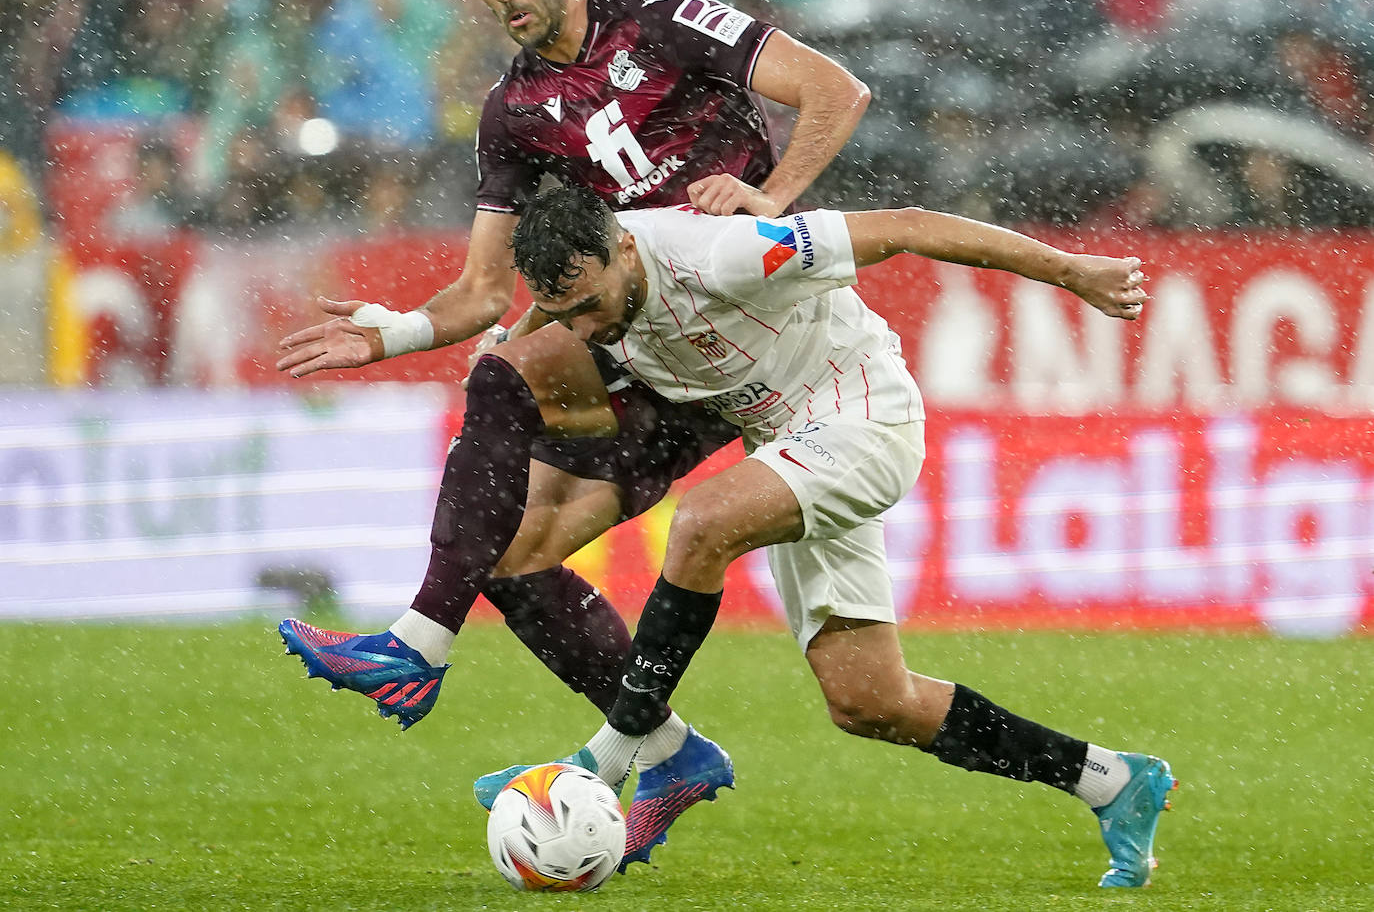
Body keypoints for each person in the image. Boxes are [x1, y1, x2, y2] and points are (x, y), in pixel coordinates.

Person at [273, 0, 871, 867]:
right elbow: (476, 294)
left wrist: (770, 199)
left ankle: (419, 640)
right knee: (508, 556)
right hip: (660, 351)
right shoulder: (513, 112)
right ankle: (673, 754)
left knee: (505, 372)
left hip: (752, 326)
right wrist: (390, 334)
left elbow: (834, 91)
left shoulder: (666, 22)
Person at [458, 184, 1172, 888]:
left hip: (864, 417)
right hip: (786, 446)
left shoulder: (721, 255)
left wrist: (1073, 270)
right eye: (563, 313)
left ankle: (606, 760)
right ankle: (1111, 780)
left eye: (590, 306)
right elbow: (547, 315)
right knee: (870, 700)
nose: (584, 329)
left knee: (702, 523)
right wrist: (503, 347)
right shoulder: (587, 286)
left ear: (622, 247)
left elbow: (909, 224)